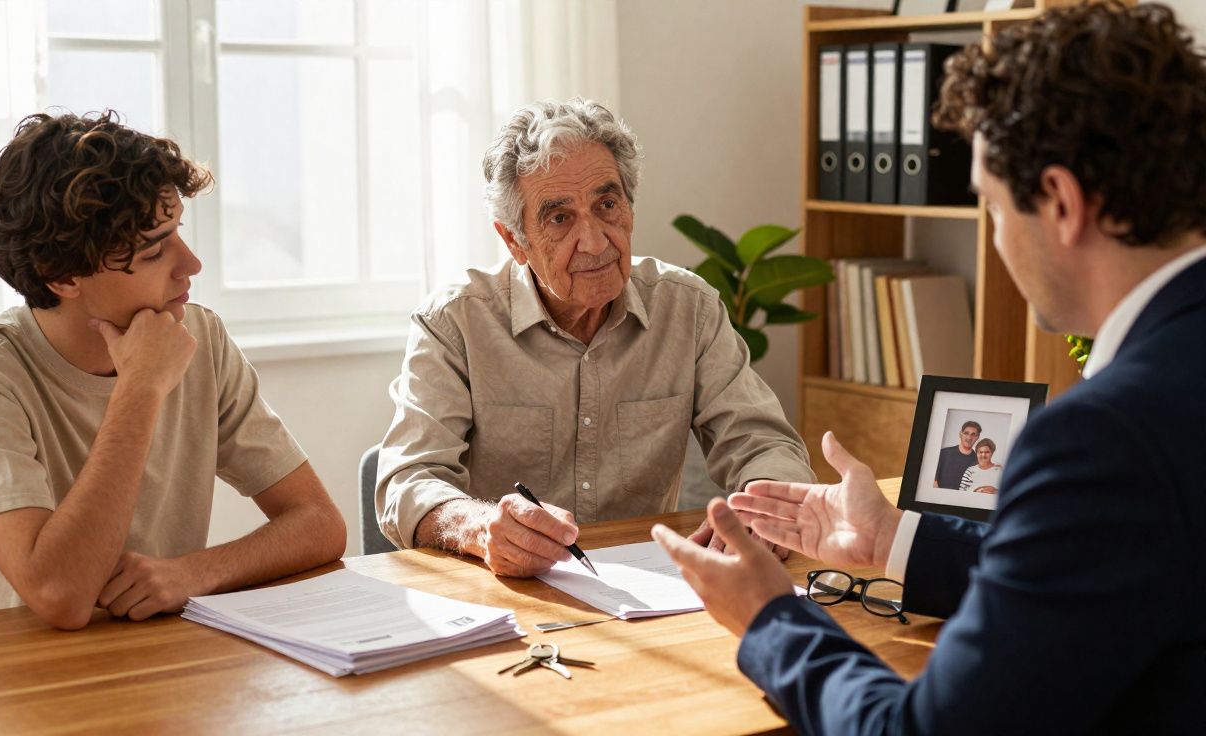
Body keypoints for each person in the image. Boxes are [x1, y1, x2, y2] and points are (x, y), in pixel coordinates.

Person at [652, 3, 1206, 732]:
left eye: (993, 208)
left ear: (1062, 203)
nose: (997, 238)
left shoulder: (1102, 438)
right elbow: (1106, 569)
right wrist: (892, 541)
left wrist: (769, 620)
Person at [0, 112, 347, 630]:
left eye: (179, 233)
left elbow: (319, 523)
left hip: (149, 664)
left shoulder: (199, 337)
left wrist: (193, 573)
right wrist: (141, 388)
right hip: (1, 682)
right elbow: (60, 595)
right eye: (154, 249)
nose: (191, 264)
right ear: (62, 275)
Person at [376, 98, 814, 577]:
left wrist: (761, 510)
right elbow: (408, 480)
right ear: (514, 241)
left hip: (655, 591)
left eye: (607, 205)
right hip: (506, 593)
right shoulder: (454, 323)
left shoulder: (688, 308)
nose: (596, 240)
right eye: (560, 218)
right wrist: (480, 528)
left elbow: (763, 442)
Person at [932, 420, 979, 488]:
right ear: (960, 434)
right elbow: (933, 481)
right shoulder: (944, 453)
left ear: (977, 438)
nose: (969, 437)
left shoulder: (977, 461)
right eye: (966, 433)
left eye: (973, 434)